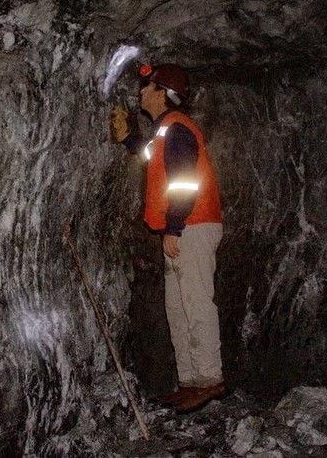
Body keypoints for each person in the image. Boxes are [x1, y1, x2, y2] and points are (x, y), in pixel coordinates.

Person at [110, 63, 226, 413]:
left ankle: (210, 379)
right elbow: (152, 158)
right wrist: (128, 137)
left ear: (162, 92)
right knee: (178, 306)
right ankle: (190, 381)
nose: (141, 91)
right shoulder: (164, 132)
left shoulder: (177, 129)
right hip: (183, 227)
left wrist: (174, 225)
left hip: (193, 225)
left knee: (195, 302)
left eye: (147, 86)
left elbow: (185, 181)